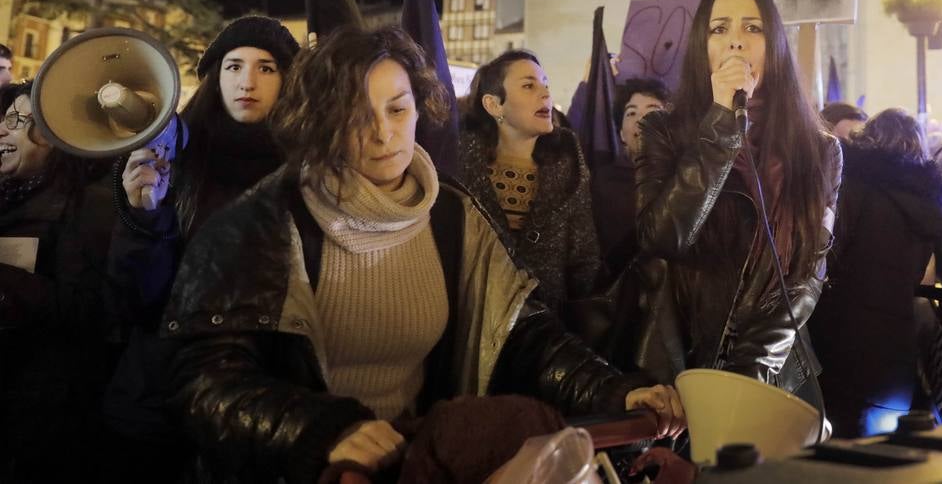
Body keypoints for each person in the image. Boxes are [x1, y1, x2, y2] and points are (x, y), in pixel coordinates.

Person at [161, 26, 681, 483]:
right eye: (356, 114)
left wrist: (614, 393)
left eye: (397, 107)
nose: (383, 133)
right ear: (319, 119)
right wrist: (318, 431)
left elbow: (524, 334)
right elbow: (205, 380)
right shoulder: (257, 226)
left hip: (422, 466)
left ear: (419, 107)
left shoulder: (454, 216)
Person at [103, 16, 300, 474]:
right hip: (159, 401)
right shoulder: (172, 155)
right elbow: (134, 301)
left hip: (261, 403)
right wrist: (143, 217)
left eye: (267, 68)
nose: (247, 81)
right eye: (233, 66)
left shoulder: (308, 170)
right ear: (214, 77)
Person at [634, 0, 841, 394]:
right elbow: (662, 236)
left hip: (775, 372)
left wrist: (752, 370)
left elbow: (809, 271)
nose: (735, 44)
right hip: (681, 369)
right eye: (719, 29)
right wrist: (722, 123)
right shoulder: (663, 132)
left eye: (752, 28)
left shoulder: (819, 149)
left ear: (775, 46)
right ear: (701, 47)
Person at [0, 81, 117, 482]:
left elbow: (89, 309)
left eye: (21, 121)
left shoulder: (89, 204)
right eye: (6, 117)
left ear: (58, 140)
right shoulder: (8, 194)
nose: (3, 130)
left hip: (42, 415)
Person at [808, 108, 942, 437]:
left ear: (870, 139)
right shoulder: (928, 205)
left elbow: (825, 255)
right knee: (878, 451)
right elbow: (919, 277)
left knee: (834, 447)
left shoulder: (853, 188)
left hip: (840, 341)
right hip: (893, 350)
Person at [459, 49, 602, 312]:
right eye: (529, 85)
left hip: (547, 327)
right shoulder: (459, 166)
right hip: (473, 318)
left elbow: (584, 258)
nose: (545, 93)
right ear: (493, 105)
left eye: (545, 84)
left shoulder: (567, 165)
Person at [591, 77, 670, 279]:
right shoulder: (602, 183)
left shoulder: (687, 178)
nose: (641, 119)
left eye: (652, 109)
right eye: (631, 112)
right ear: (621, 134)